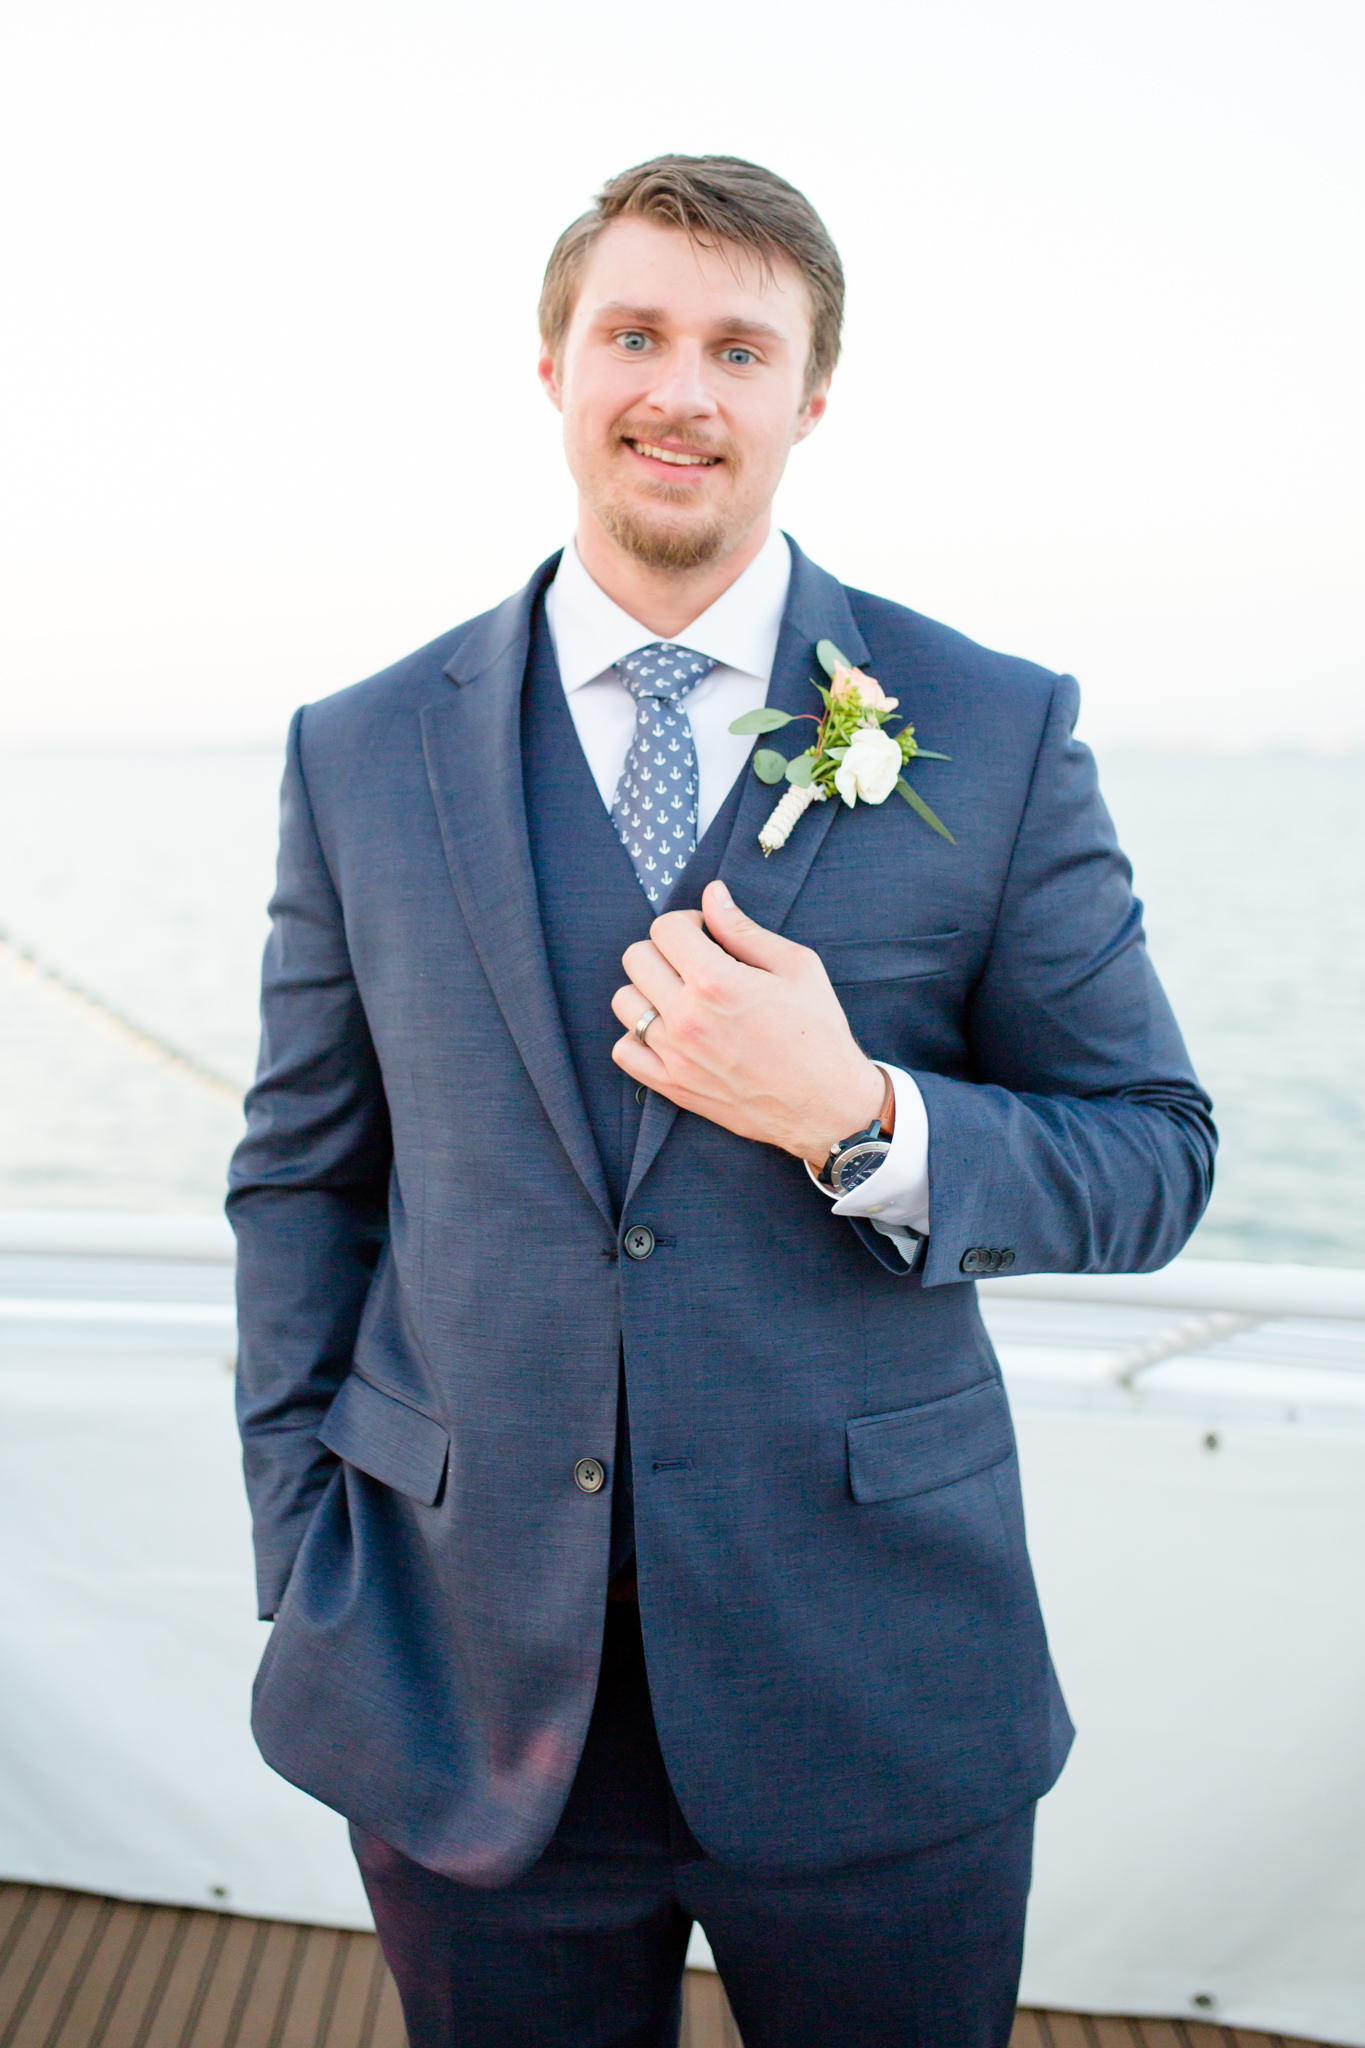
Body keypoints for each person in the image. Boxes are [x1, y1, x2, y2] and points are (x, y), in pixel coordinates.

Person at [229, 155, 1215, 2048]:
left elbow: (1152, 1155)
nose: (681, 387)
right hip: (459, 1675)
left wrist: (860, 1116)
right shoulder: (358, 747)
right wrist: (309, 1555)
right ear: (553, 365)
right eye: (637, 333)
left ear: (806, 398)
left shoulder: (983, 725)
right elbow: (299, 1181)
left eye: (738, 346)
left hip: (874, 1684)